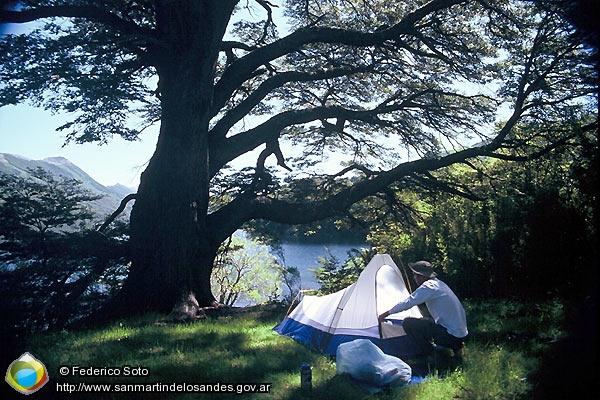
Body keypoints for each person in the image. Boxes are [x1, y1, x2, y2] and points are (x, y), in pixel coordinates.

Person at [378, 260, 467, 359]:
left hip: (451, 335)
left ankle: (431, 354)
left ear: (421, 276)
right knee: (425, 321)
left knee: (408, 323)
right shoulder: (439, 284)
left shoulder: (428, 287)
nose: (414, 278)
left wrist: (385, 314)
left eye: (415, 275)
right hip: (460, 334)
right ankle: (456, 346)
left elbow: (408, 302)